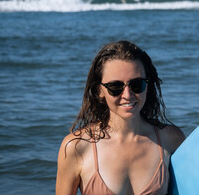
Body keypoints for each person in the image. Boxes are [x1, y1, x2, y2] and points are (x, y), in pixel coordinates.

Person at [56, 41, 185, 195]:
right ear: (100, 91)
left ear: (148, 85)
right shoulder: (77, 147)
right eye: (115, 87)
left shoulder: (171, 140)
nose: (127, 95)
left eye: (137, 85)